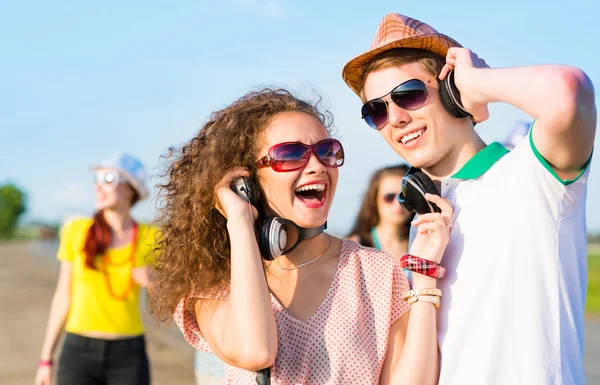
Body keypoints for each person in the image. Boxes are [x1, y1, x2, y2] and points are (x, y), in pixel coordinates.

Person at [342, 13, 596, 385]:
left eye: (408, 94)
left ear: (450, 91)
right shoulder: (426, 220)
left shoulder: (532, 174)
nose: (394, 118)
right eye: (376, 110)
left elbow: (570, 91)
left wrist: (478, 82)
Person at [148, 88, 454, 384]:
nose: (316, 166)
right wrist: (240, 221)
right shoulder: (213, 283)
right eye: (291, 154)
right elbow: (255, 351)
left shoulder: (376, 271)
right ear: (247, 182)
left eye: (326, 151)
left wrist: (424, 279)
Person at [35, 153, 158, 385]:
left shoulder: (151, 237)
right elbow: (63, 297)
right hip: (78, 352)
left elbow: (163, 309)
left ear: (131, 189)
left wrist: (152, 282)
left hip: (129, 354)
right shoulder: (76, 231)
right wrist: (45, 359)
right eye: (97, 179)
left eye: (108, 179)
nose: (98, 187)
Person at [346, 164, 414, 278]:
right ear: (374, 199)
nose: (398, 204)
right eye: (389, 197)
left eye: (404, 197)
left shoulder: (420, 242)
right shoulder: (354, 248)